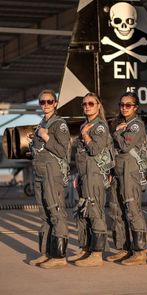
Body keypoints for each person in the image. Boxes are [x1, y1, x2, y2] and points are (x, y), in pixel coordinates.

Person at [69, 92, 114, 267]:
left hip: (95, 176)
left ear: (98, 106)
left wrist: (86, 135)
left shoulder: (99, 127)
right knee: (83, 213)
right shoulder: (85, 125)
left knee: (95, 213)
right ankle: (86, 248)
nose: (87, 106)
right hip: (84, 175)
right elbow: (80, 156)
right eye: (84, 104)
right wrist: (78, 175)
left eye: (91, 104)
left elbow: (95, 150)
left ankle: (97, 253)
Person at [107, 92, 147, 266]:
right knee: (116, 211)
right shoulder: (121, 123)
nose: (124, 108)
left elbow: (125, 145)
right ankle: (123, 249)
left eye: (128, 105)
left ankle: (140, 252)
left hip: (130, 172)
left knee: (133, 210)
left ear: (135, 107)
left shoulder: (136, 125)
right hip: (118, 171)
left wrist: (118, 132)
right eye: (122, 104)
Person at [28, 89, 70, 269]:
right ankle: (46, 253)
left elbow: (63, 151)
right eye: (42, 102)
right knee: (44, 214)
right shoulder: (42, 123)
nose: (45, 105)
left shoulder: (59, 124)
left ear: (55, 103)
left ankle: (59, 257)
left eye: (49, 101)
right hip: (40, 173)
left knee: (56, 212)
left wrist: (45, 137)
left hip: (52, 174)